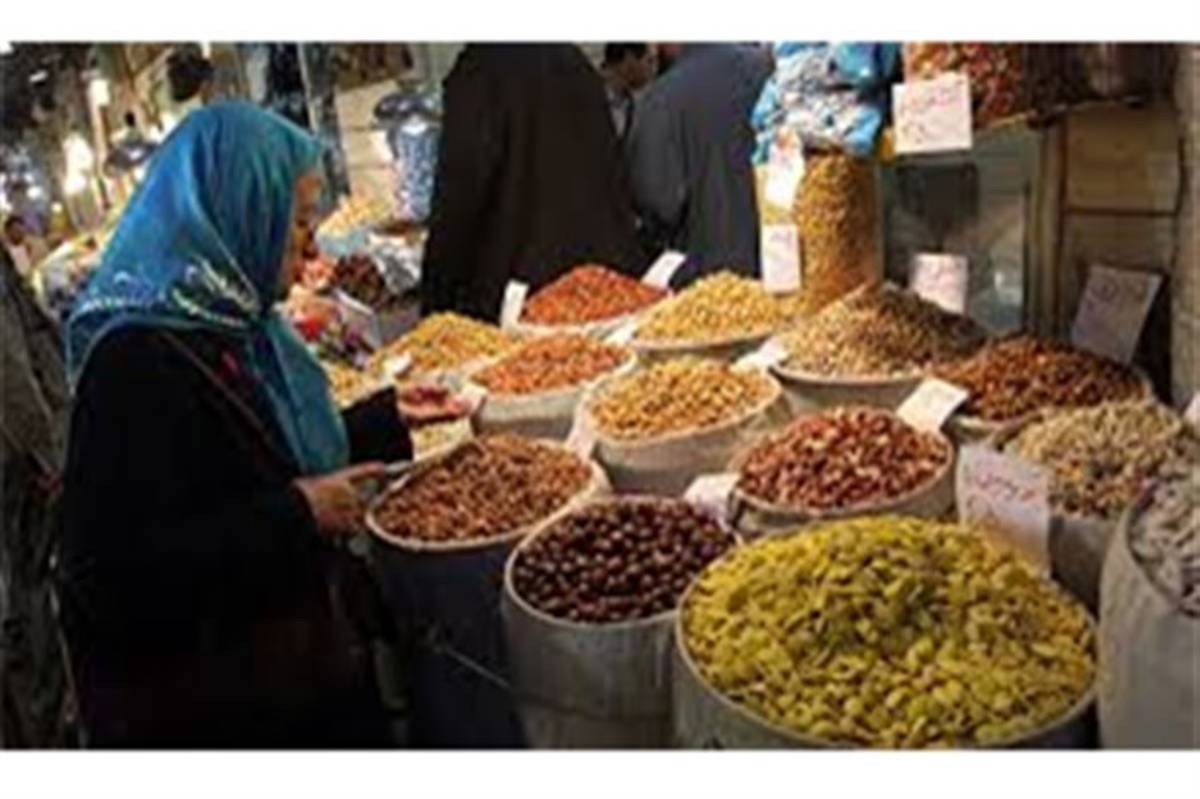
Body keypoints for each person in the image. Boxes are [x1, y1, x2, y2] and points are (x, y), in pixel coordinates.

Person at [56, 102, 412, 747]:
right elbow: (108, 578)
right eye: (297, 218)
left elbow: (261, 453)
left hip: (297, 677)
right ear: (240, 208)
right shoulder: (134, 362)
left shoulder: (240, 326)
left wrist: (391, 416)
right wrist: (297, 515)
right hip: (230, 715)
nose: (312, 241)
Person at [421, 44, 647, 322]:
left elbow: (459, 200)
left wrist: (434, 304)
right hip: (605, 280)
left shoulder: (480, 72)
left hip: (525, 296)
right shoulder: (573, 60)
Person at [1, 243, 73, 748]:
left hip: (22, 463)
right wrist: (48, 456)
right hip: (21, 470)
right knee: (33, 607)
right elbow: (9, 374)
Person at [625, 43, 772, 286]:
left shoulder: (662, 98)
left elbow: (656, 202)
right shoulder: (769, 67)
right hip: (786, 264)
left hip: (709, 281)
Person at [601, 43, 656, 141]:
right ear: (629, 59)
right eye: (649, 61)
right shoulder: (589, 100)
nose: (653, 70)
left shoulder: (639, 105)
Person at [3, 216, 51, 282]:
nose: (19, 231)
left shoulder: (31, 242)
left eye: (19, 229)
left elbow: (25, 271)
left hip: (41, 275)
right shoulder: (15, 248)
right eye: (15, 230)